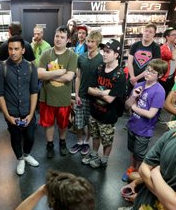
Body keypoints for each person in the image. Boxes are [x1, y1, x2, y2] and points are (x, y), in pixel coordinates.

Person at [0, 36, 40, 176]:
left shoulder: (31, 67)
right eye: (10, 49)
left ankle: (26, 154)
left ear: (23, 50)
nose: (13, 52)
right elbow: (0, 95)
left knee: (30, 137)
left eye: (16, 49)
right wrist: (8, 116)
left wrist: (31, 114)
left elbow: (34, 92)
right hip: (12, 112)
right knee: (15, 138)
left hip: (28, 111)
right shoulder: (1, 69)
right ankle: (20, 159)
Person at [82, 39, 126, 169]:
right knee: (95, 135)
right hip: (95, 111)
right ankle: (94, 154)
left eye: (108, 51)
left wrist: (99, 92)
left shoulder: (120, 75)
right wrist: (104, 92)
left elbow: (110, 99)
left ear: (116, 55)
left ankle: (104, 159)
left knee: (107, 139)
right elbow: (89, 89)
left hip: (108, 115)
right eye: (103, 51)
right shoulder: (100, 68)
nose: (104, 54)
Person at [121, 59, 167, 182]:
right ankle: (132, 168)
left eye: (152, 72)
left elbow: (151, 114)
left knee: (139, 153)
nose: (147, 73)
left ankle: (138, 172)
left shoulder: (159, 91)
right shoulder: (138, 85)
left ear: (160, 75)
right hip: (132, 125)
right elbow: (127, 105)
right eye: (147, 70)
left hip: (145, 129)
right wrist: (133, 97)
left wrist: (134, 107)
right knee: (132, 150)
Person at [38, 26, 78, 158]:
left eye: (62, 37)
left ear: (67, 40)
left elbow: (69, 77)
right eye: (57, 36)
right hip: (47, 97)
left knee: (63, 124)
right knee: (48, 124)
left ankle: (62, 143)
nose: (58, 39)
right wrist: (59, 72)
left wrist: (49, 74)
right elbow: (39, 74)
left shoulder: (72, 55)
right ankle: (49, 145)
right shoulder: (46, 54)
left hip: (63, 98)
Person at [70, 30, 103, 156]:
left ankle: (87, 142)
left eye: (92, 42)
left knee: (90, 123)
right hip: (81, 95)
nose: (89, 44)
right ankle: (79, 142)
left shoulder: (101, 60)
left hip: (94, 97)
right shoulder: (82, 57)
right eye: (88, 41)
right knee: (78, 122)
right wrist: (76, 94)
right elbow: (78, 77)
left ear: (98, 43)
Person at [159, 27, 176, 95]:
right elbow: (173, 57)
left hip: (171, 76)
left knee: (169, 94)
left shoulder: (174, 47)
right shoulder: (164, 48)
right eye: (173, 35)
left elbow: (170, 62)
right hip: (164, 78)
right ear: (167, 37)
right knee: (163, 94)